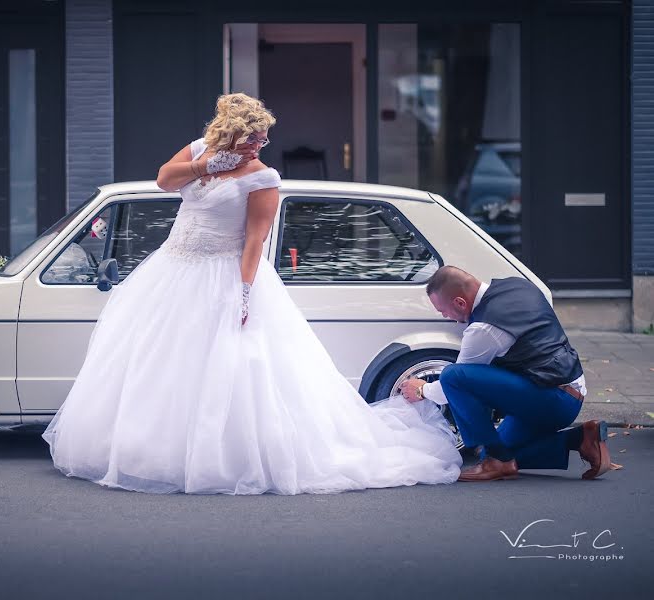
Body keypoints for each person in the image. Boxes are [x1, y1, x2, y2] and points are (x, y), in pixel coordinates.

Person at [41, 93, 462, 494]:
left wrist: (243, 294)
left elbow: (255, 241)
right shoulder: (199, 149)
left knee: (229, 365)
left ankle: (222, 457)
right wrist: (205, 165)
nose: (263, 143)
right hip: (172, 270)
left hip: (224, 272)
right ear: (231, 133)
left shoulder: (263, 176)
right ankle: (150, 450)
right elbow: (164, 180)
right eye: (255, 136)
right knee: (160, 360)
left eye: (264, 137)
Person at [399, 265, 611, 482]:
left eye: (443, 311)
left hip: (553, 400)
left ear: (460, 302)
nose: (445, 316)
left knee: (453, 376)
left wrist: (422, 389)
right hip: (566, 389)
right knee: (493, 450)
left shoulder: (483, 329)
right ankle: (580, 439)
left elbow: (453, 387)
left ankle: (498, 462)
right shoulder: (517, 285)